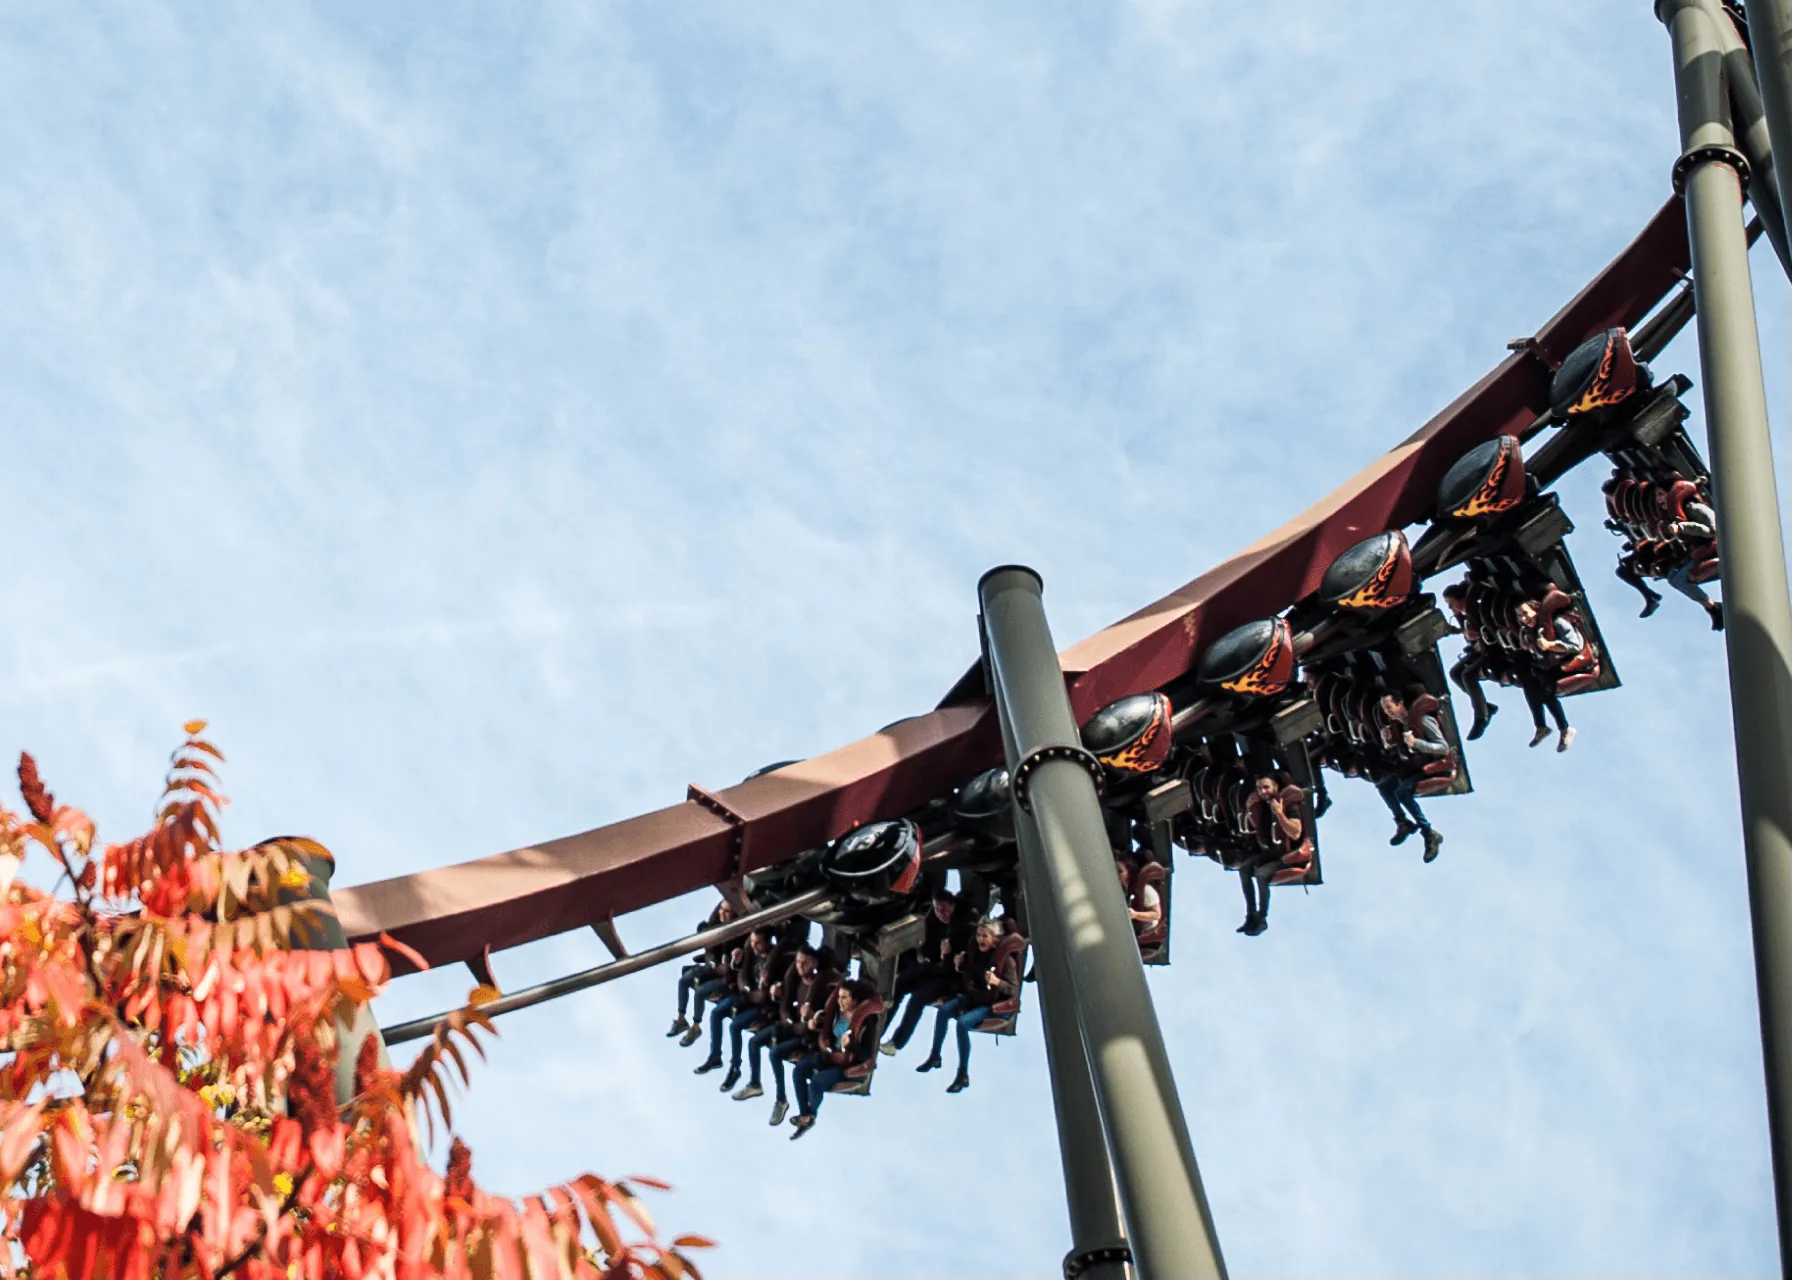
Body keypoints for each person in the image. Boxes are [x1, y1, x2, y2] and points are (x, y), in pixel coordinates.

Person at [916, 919, 1022, 1094]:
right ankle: (935, 1055)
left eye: (985, 936)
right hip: (974, 996)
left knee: (962, 1024)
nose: (980, 938)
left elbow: (1012, 989)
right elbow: (972, 972)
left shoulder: (1006, 961)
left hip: (992, 1004)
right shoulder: (975, 951)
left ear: (994, 938)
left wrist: (997, 982)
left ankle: (963, 1074)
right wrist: (960, 964)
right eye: (979, 935)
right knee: (943, 1011)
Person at [733, 944, 831, 1126]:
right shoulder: (795, 978)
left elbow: (826, 1019)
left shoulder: (822, 986)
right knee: (754, 1042)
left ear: (814, 963)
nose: (800, 966)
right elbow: (785, 1004)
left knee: (776, 1053)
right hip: (792, 1026)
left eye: (805, 963)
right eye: (799, 962)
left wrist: (811, 1022)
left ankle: (781, 1100)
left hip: (807, 1036)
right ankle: (755, 1084)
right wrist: (775, 992)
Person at [788, 980, 881, 1140]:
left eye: (844, 998)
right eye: (839, 997)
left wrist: (851, 1046)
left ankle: (809, 1116)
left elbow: (866, 1054)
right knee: (798, 1071)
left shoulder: (867, 1022)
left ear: (854, 1000)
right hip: (828, 1055)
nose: (840, 1001)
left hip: (845, 1065)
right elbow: (828, 1030)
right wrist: (816, 1023)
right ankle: (805, 1114)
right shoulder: (837, 1012)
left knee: (816, 1084)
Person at [880, 892, 967, 1056]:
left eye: (945, 909)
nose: (942, 914)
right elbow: (924, 951)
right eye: (938, 909)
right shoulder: (932, 922)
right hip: (932, 969)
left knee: (918, 999)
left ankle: (897, 1043)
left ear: (953, 907)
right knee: (899, 984)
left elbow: (957, 966)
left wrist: (945, 956)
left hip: (949, 978)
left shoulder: (962, 927)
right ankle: (879, 1028)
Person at [1374, 688, 1447, 863]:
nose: (1387, 712)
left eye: (1390, 707)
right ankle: (1403, 822)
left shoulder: (1422, 719)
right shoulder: (1399, 727)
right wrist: (1390, 741)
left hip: (1432, 766)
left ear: (1400, 704)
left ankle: (1429, 833)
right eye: (1384, 709)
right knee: (1384, 785)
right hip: (1413, 767)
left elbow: (1442, 747)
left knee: (1402, 792)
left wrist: (1417, 743)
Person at [692, 929, 773, 1077]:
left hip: (761, 1006)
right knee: (716, 1013)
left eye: (758, 943)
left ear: (767, 942)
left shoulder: (774, 960)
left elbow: (768, 996)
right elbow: (742, 975)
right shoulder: (750, 952)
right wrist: (737, 962)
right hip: (745, 996)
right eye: (753, 942)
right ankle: (715, 1056)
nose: (754, 945)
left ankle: (735, 1067)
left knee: (735, 1026)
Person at [1236, 774, 1308, 936]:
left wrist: (1280, 814)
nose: (1263, 791)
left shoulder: (1289, 805)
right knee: (1244, 869)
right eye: (1260, 788)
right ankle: (1250, 914)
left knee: (1261, 875)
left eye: (1266, 787)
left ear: (1275, 787)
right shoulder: (1261, 806)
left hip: (1289, 855)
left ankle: (1261, 917)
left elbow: (1296, 833)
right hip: (1270, 851)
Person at [1515, 599, 1577, 752]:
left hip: (1565, 662)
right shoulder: (1529, 632)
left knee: (1545, 691)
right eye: (1520, 616)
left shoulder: (1556, 622)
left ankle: (1565, 728)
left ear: (1535, 610)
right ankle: (1541, 726)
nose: (1523, 619)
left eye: (1525, 613)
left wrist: (1550, 645)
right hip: (1546, 665)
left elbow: (1575, 646)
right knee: (1529, 684)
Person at [669, 901, 734, 1044]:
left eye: (727, 912)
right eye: (721, 911)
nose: (722, 914)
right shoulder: (715, 920)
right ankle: (681, 1019)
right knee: (684, 980)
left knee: (700, 992)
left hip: (727, 975)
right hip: (713, 967)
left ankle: (695, 1027)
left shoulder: (736, 931)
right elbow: (723, 904)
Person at [1441, 582, 1499, 740]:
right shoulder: (1463, 617)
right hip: (1478, 651)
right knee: (1455, 673)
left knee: (1468, 675)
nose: (1451, 608)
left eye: (1451, 603)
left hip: (1494, 649)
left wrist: (1481, 637)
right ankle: (1485, 705)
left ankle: (1481, 716)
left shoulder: (1478, 609)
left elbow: (1492, 627)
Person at [1667, 497, 1725, 631]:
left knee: (1680, 580)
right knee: (1672, 577)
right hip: (1697, 552)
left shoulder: (1695, 508)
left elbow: (1713, 529)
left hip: (1712, 550)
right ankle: (1712, 608)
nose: (1660, 500)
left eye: (1661, 495)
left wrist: (1682, 528)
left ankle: (1713, 608)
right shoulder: (1673, 515)